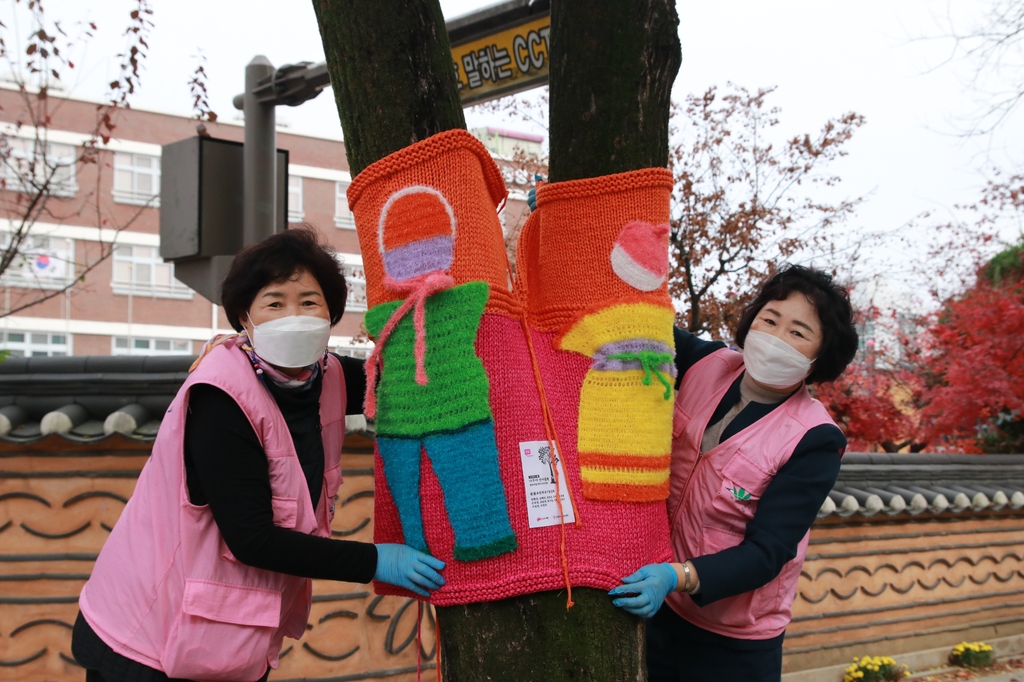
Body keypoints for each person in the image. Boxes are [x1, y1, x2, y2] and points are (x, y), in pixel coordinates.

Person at [71, 228, 445, 682]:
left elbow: (407, 377)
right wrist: (375, 561)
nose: (294, 316)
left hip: (226, 639)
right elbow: (252, 540)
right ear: (245, 317)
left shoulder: (324, 375)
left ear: (331, 312)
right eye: (274, 302)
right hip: (146, 637)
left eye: (309, 302)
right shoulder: (221, 398)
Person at [609, 264, 858, 682]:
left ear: (819, 358)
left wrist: (677, 575)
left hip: (734, 640)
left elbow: (768, 553)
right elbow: (639, 310)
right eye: (770, 319)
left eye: (798, 333)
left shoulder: (815, 439)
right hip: (659, 610)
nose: (776, 338)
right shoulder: (705, 362)